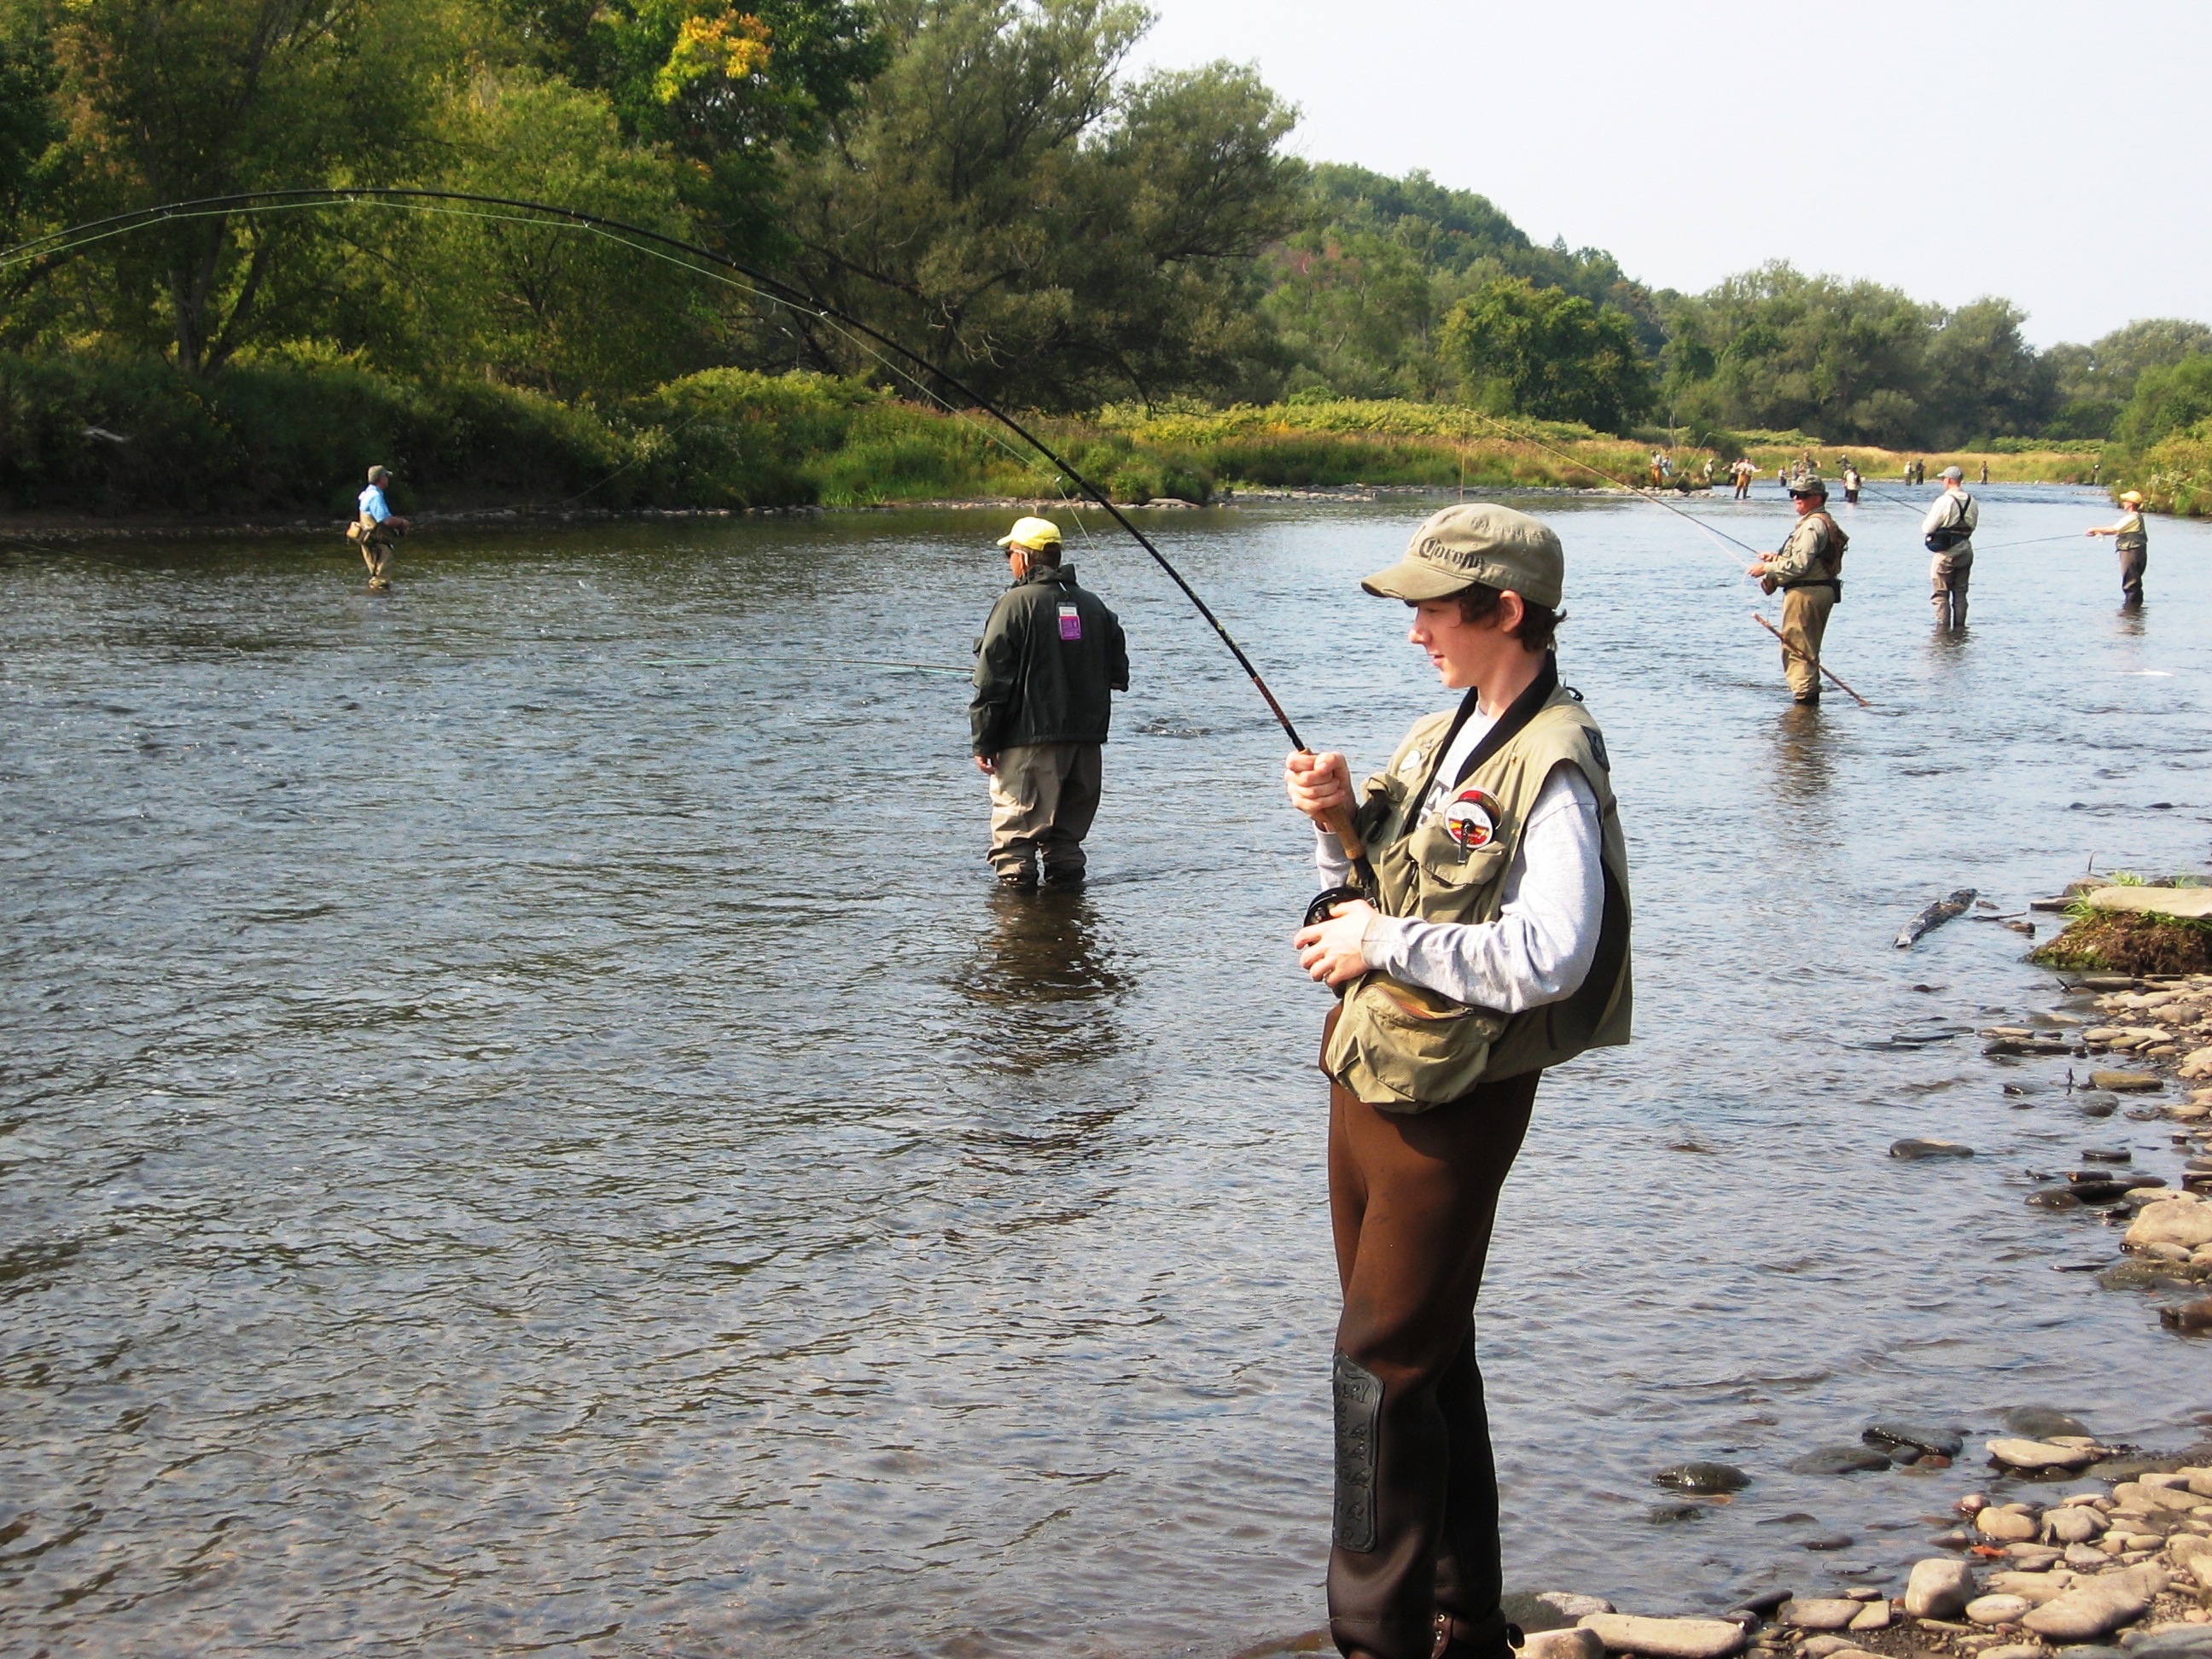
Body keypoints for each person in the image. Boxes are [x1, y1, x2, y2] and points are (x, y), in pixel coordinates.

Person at [1283, 502, 1632, 1659]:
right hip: (1368, 1080)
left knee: (1374, 1367)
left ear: (1506, 610)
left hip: (1453, 1104)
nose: (1416, 627)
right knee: (1431, 1343)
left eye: (1434, 605)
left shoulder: (1557, 763)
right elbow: (1381, 881)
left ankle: (1372, 1637)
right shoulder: (1444, 735)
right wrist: (1338, 825)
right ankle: (1460, 1609)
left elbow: (1551, 955)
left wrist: (1381, 944)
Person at [968, 515, 1128, 889]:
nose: (1008, 560)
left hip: (1029, 740)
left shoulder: (1014, 603)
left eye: (1009, 553)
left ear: (1024, 558)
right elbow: (1118, 674)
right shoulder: (1094, 605)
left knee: (1016, 842)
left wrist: (983, 740)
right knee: (1065, 841)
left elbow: (991, 680)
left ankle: (1017, 934)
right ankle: (1066, 919)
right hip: (1086, 742)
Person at [1746, 476, 1846, 701]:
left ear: (1818, 498)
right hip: (1819, 590)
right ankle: (1808, 707)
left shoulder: (1812, 525)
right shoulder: (1824, 521)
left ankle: (1803, 704)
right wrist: (1777, 558)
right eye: (1794, 494)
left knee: (1797, 648)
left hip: (1806, 594)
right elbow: (1811, 560)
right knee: (1806, 648)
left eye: (1802, 495)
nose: (1796, 499)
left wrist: (1766, 567)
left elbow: (1800, 566)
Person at [1921, 464, 1979, 630]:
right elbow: (1973, 525)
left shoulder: (1944, 501)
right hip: (1966, 550)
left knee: (1940, 594)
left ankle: (1942, 630)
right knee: (1960, 593)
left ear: (1950, 480)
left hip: (1946, 552)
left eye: (1943, 479)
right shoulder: (1972, 501)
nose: (1942, 482)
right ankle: (1960, 629)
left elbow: (1927, 528)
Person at [351, 464, 410, 591]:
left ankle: (375, 603)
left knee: (376, 577)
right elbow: (386, 520)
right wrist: (402, 523)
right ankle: (380, 607)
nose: (388, 479)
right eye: (386, 476)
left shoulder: (367, 493)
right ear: (381, 479)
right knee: (381, 580)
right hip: (378, 543)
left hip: (369, 541)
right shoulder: (376, 496)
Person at [2086, 489, 2151, 604]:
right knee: (2134, 583)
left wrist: (2094, 529)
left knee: (2131, 584)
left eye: (2126, 501)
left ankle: (2130, 611)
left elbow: (2114, 529)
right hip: (2136, 552)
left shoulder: (2132, 518)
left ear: (2131, 503)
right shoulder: (2136, 517)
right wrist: (2098, 532)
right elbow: (2115, 531)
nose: (2124, 503)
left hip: (2131, 552)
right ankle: (2135, 613)